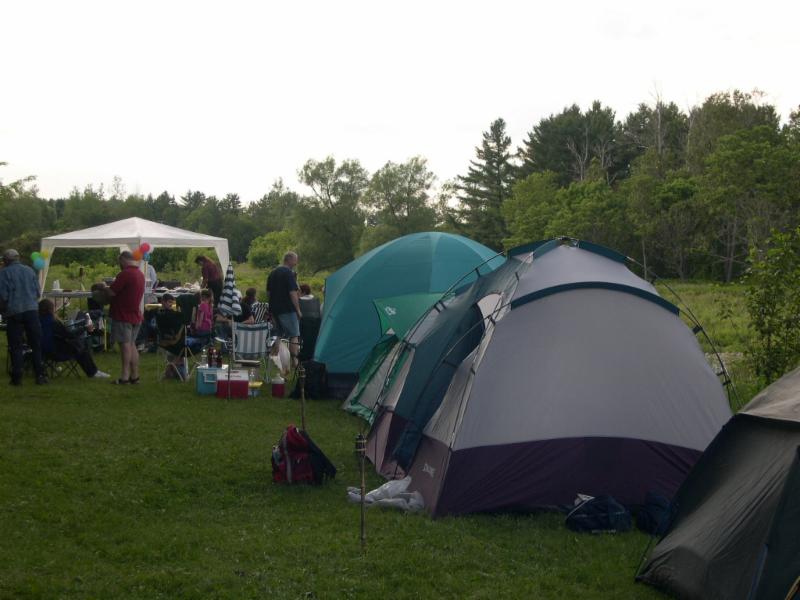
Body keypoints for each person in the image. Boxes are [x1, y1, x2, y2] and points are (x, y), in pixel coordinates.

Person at [0, 249, 47, 385]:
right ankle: (40, 376)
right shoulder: (29, 271)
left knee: (16, 346)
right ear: (18, 258)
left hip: (14, 312)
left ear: (6, 260)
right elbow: (38, 293)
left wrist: (3, 310)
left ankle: (17, 377)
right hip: (32, 311)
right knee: (36, 344)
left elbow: (3, 295)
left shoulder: (4, 273)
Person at [38, 299, 110, 378]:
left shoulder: (38, 321)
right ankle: (93, 372)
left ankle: (93, 371)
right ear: (51, 309)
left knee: (77, 346)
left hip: (42, 351)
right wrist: (84, 328)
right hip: (55, 352)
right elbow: (69, 335)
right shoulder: (53, 322)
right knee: (80, 348)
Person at [106, 251, 145, 384]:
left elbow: (112, 292)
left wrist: (103, 287)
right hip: (135, 315)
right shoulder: (140, 274)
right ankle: (135, 376)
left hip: (123, 315)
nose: (119, 265)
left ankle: (124, 376)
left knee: (125, 346)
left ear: (123, 260)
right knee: (132, 344)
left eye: (119, 262)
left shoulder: (125, 274)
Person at [267, 251, 301, 366]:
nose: (296, 263)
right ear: (289, 259)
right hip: (287, 309)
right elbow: (293, 293)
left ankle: (274, 358)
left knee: (279, 334)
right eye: (295, 260)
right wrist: (298, 310)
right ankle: (295, 361)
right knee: (294, 334)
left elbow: (268, 293)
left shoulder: (273, 273)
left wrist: (271, 307)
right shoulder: (288, 273)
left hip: (275, 309)